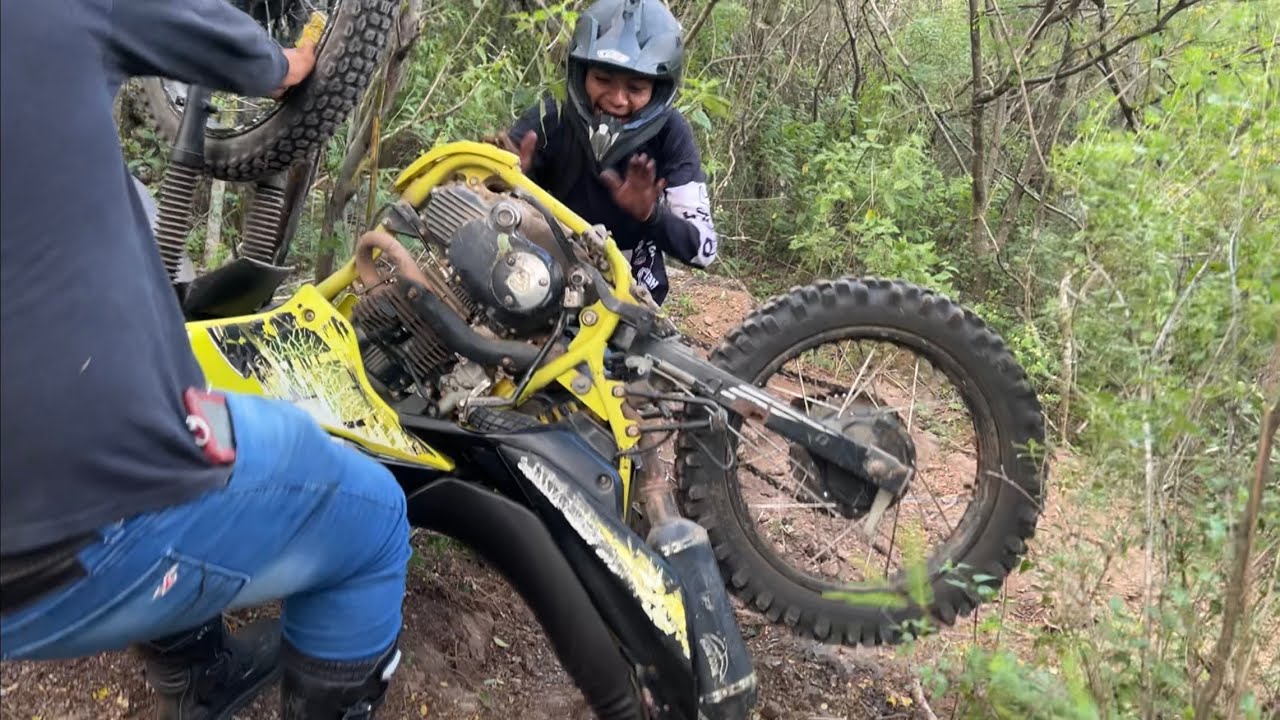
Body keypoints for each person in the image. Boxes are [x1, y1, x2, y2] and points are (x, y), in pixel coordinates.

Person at [0, 2, 412, 718]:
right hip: (58, 548)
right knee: (376, 518)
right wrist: (289, 62)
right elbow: (254, 59)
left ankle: (194, 672)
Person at [494, 0, 719, 306]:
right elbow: (492, 191)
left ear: (658, 90)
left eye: (636, 87)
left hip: (631, 293)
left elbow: (704, 249)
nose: (616, 99)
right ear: (581, 74)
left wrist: (651, 214)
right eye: (602, 80)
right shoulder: (553, 115)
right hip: (542, 275)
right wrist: (507, 178)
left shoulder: (671, 134)